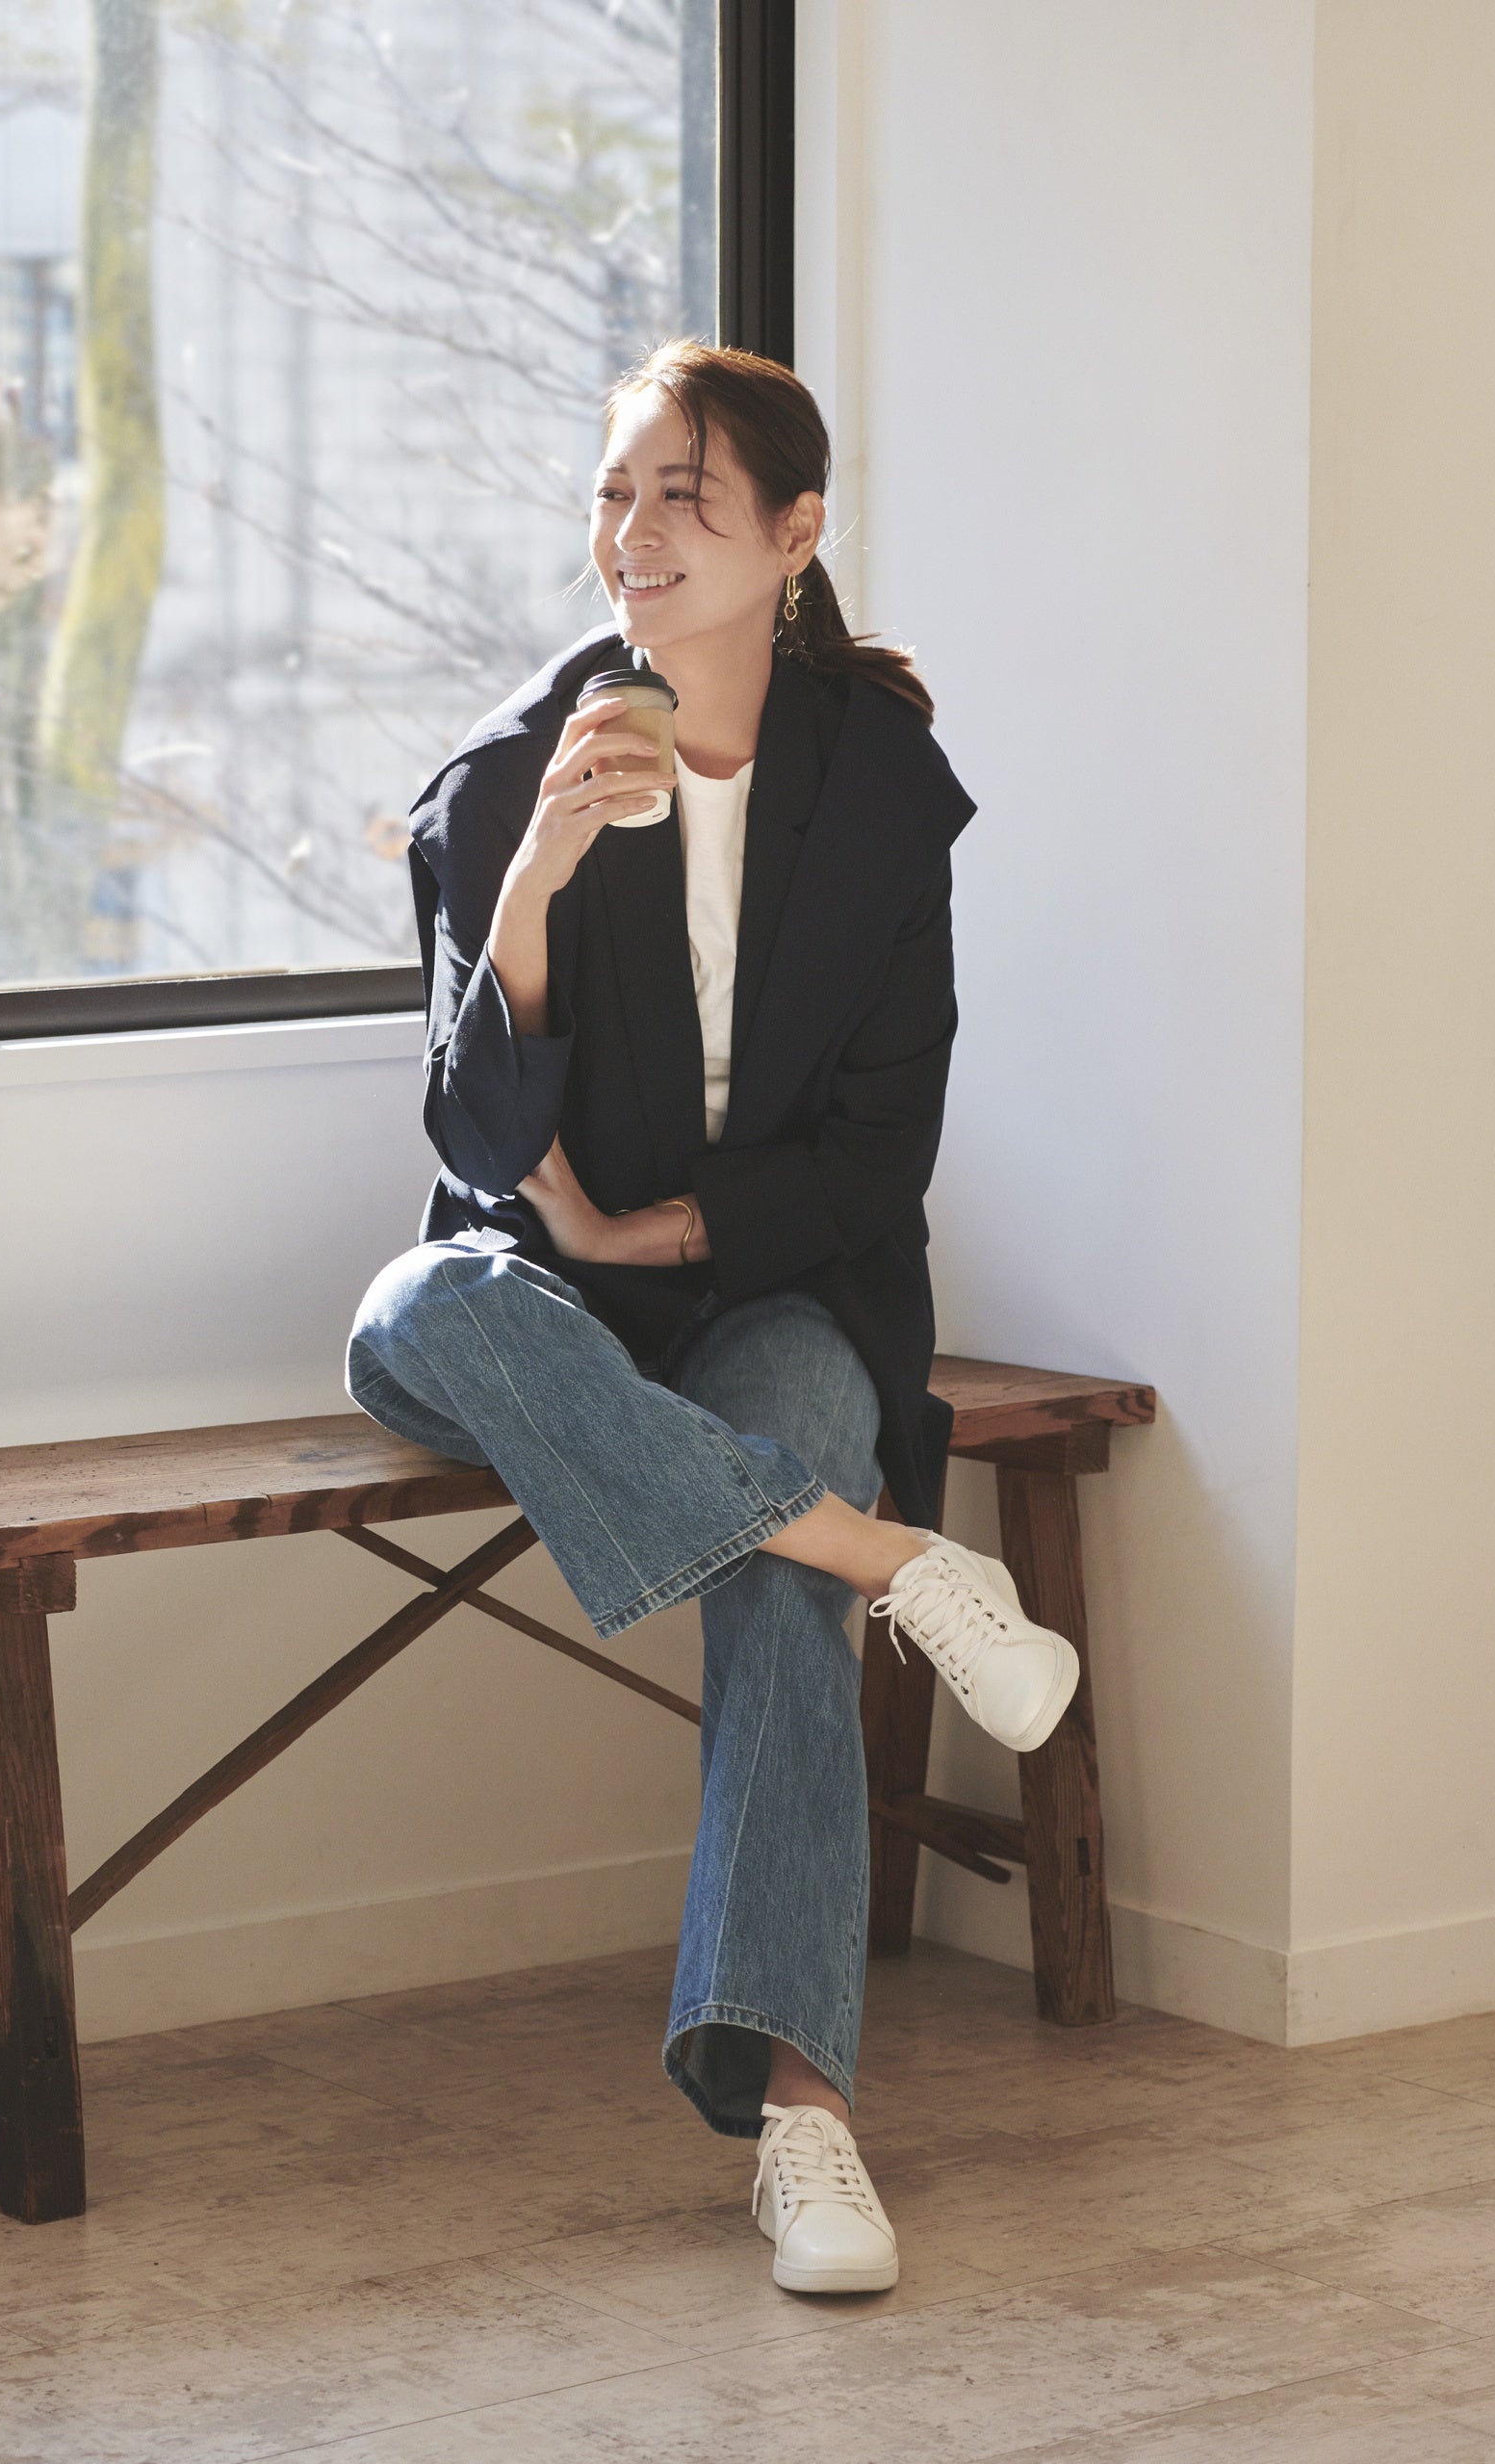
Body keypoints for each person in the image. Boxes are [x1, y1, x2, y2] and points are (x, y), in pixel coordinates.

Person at [347, 340, 1078, 2295]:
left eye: (683, 495)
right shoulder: (511, 774)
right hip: (537, 1298)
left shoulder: (883, 790)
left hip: (773, 1285)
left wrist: (658, 1226)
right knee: (418, 1310)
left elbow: (880, 1155)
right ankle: (900, 1562)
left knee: (777, 1538)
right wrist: (536, 878)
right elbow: (479, 1145)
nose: (635, 533)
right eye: (616, 491)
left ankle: (805, 2121)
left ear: (795, 532)